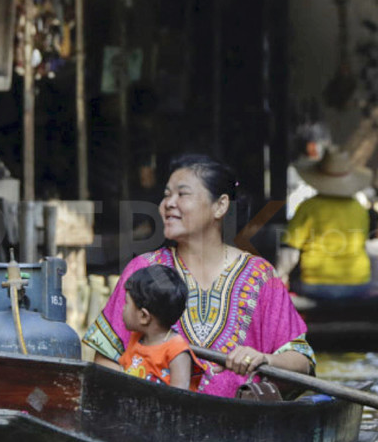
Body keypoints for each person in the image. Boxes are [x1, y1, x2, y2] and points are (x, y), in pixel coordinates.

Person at [84, 154, 314, 396]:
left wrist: (264, 359)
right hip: (151, 420)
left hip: (240, 422)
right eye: (166, 195)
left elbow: (302, 360)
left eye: (182, 194)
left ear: (220, 206)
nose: (169, 203)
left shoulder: (262, 276)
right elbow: (106, 360)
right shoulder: (143, 270)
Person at [277, 147, 373, 299]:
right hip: (359, 284)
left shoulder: (309, 207)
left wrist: (280, 276)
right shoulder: (359, 209)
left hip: (316, 285)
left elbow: (290, 251)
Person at [116, 265, 195, 389]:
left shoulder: (177, 352)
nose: (123, 308)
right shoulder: (137, 339)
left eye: (127, 303)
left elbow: (180, 399)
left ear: (144, 316)